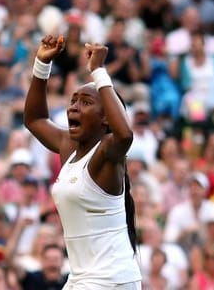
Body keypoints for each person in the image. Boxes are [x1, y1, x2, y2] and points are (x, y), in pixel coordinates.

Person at [23, 35, 141, 288]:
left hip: (111, 280)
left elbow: (125, 134)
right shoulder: (69, 147)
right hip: (82, 279)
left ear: (106, 118)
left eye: (86, 103)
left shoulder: (107, 153)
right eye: (73, 100)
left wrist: (98, 72)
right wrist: (42, 64)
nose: (73, 107)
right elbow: (34, 120)